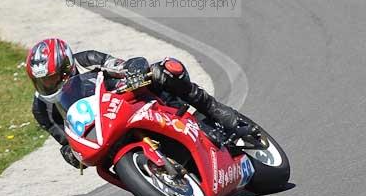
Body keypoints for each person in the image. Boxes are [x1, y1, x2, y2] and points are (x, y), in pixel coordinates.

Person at [26, 37, 260, 168]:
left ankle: (216, 112)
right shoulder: (41, 108)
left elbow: (119, 65)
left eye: (52, 78)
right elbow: (63, 138)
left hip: (128, 100)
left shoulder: (87, 60)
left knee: (165, 71)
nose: (49, 84)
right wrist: (68, 150)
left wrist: (133, 69)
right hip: (102, 133)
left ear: (67, 66)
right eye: (43, 81)